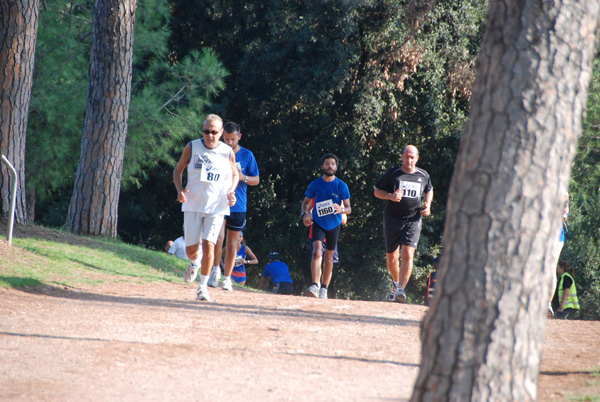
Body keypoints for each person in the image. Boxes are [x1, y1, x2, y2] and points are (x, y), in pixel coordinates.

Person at [173, 114, 239, 301]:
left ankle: (202, 288)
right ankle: (194, 262)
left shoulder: (227, 152)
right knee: (191, 251)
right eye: (206, 131)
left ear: (221, 133)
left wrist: (231, 191)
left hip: (217, 206)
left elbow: (235, 175)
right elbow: (177, 170)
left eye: (213, 132)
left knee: (210, 243)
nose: (209, 135)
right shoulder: (192, 147)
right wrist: (179, 191)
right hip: (193, 204)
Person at [374, 145, 433, 303]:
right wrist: (390, 196)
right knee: (391, 258)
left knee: (408, 254)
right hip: (392, 219)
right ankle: (396, 282)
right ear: (402, 157)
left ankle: (400, 289)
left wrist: (427, 204)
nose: (409, 160)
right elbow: (377, 191)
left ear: (417, 158)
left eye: (412, 157)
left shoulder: (423, 175)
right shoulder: (393, 174)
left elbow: (429, 189)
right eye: (407, 157)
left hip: (413, 220)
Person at [208, 122, 260, 291]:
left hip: (238, 205)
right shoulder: (217, 152)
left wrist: (242, 177)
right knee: (218, 238)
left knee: (232, 245)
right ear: (222, 136)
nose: (230, 142)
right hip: (219, 202)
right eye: (227, 139)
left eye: (233, 139)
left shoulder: (247, 155)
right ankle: (215, 270)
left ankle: (227, 278)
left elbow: (256, 180)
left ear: (239, 137)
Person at [301, 153, 351, 299]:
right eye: (327, 163)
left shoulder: (341, 186)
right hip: (318, 223)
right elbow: (305, 203)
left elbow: (349, 208)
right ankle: (315, 285)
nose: (330, 166)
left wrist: (341, 209)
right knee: (317, 252)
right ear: (322, 166)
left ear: (336, 167)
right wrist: (305, 214)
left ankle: (324, 288)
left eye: (332, 164)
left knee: (329, 257)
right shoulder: (315, 184)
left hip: (334, 224)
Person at [548, 191, 569, 318]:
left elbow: (566, 201)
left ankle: (547, 303)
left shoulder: (561, 190)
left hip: (556, 234)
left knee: (551, 267)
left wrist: (565, 213)